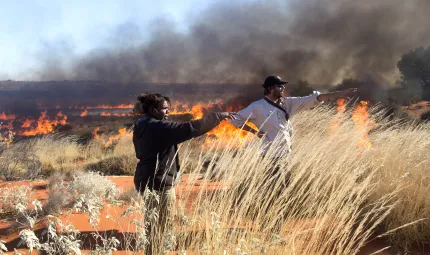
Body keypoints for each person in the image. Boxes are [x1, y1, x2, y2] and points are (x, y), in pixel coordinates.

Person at [230, 75, 357, 230]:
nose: (283, 88)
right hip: (270, 157)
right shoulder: (257, 106)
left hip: (285, 157)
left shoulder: (287, 103)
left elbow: (313, 98)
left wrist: (339, 94)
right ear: (270, 88)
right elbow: (235, 119)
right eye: (280, 86)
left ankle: (274, 227)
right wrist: (255, 132)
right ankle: (270, 228)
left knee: (282, 192)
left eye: (283, 86)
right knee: (271, 193)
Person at [132, 93, 233, 255]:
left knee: (152, 225)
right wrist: (217, 117)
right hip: (159, 183)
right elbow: (190, 128)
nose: (168, 112)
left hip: (147, 179)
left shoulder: (141, 124)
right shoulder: (156, 127)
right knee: (159, 228)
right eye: (165, 109)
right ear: (153, 109)